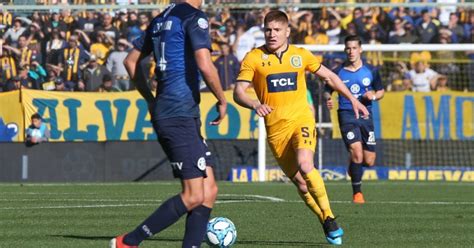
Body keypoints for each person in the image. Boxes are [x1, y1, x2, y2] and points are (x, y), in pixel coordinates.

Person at [233, 10, 369, 246]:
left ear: (287, 31)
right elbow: (238, 92)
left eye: (277, 30)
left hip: (301, 120)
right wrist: (254, 103)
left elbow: (330, 77)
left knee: (307, 165)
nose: (272, 34)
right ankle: (324, 219)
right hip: (276, 131)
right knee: (300, 183)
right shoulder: (253, 58)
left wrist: (352, 99)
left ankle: (330, 216)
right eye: (268, 30)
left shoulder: (300, 55)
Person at [110, 0, 227, 247]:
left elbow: (131, 61)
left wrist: (150, 100)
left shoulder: (161, 18)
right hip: (178, 115)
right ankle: (129, 242)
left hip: (179, 113)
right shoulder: (195, 17)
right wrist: (222, 99)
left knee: (209, 190)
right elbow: (205, 65)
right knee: (194, 194)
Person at [325, 35, 385, 204]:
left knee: (369, 160)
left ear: (361, 49)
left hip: (366, 115)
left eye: (354, 48)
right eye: (348, 48)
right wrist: (328, 98)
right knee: (357, 153)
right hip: (347, 114)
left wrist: (372, 95)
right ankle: (357, 194)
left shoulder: (371, 71)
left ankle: (353, 166)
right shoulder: (337, 72)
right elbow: (327, 89)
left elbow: (381, 91)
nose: (351, 51)